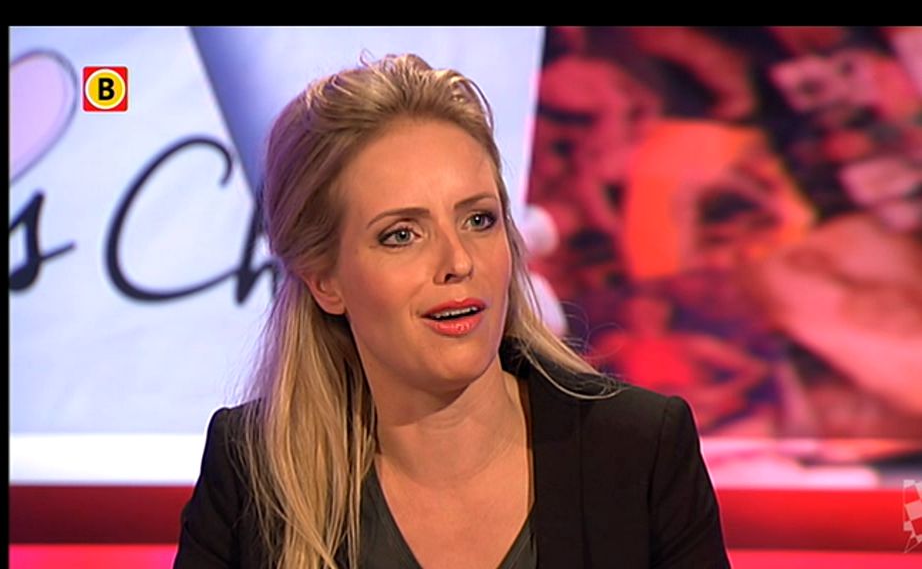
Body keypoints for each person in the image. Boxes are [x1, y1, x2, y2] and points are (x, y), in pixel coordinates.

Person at [173, 53, 730, 569]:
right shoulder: (252, 473)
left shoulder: (641, 451)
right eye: (401, 234)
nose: (458, 261)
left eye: (478, 220)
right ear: (325, 280)